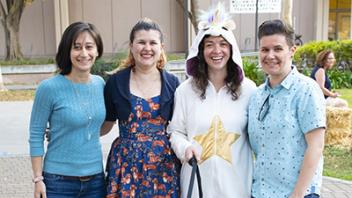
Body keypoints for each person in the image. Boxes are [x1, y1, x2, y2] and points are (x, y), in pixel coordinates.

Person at [168, 3, 257, 198]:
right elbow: (175, 131)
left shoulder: (249, 90)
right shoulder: (185, 91)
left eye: (223, 44)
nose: (217, 51)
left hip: (236, 187)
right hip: (197, 185)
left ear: (231, 49)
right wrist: (185, 148)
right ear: (201, 51)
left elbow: (258, 138)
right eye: (210, 45)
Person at [101, 18, 181, 197]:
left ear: (161, 47)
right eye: (141, 42)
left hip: (163, 166)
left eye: (153, 42)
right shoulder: (115, 83)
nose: (147, 48)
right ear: (131, 46)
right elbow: (106, 123)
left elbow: (181, 127)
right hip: (126, 164)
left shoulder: (173, 84)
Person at [247, 19, 326, 198]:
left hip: (296, 193)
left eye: (278, 49)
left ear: (292, 51)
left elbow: (316, 146)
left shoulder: (306, 90)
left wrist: (297, 195)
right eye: (264, 49)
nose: (270, 55)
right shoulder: (257, 95)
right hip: (261, 192)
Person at [29, 22, 106, 198]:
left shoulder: (100, 84)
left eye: (89, 47)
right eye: (77, 47)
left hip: (95, 180)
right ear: (67, 50)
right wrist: (38, 179)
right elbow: (35, 134)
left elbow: (98, 125)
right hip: (58, 182)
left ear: (97, 51)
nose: (84, 54)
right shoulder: (48, 88)